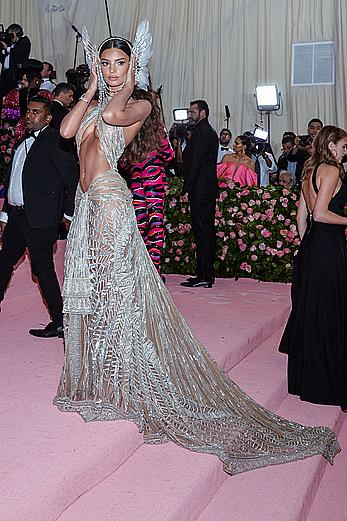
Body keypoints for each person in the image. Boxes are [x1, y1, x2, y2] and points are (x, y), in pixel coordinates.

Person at [53, 22, 340, 477]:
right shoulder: (95, 102)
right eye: (105, 63)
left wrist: (125, 85)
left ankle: (134, 380)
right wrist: (89, 87)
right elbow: (68, 130)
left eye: (119, 63)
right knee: (96, 294)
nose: (110, 70)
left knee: (119, 293)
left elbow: (111, 118)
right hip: (87, 206)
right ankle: (110, 379)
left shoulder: (140, 104)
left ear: (134, 66)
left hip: (108, 201)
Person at [279, 125, 347, 411]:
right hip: (327, 247)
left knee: (314, 310)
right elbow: (320, 214)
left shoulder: (309, 170)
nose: (346, 150)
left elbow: (301, 214)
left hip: (312, 247)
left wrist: (305, 246)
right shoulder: (331, 171)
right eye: (344, 145)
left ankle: (307, 378)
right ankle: (327, 381)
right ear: (332, 146)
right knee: (330, 311)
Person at [0, 97, 79, 338]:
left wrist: (66, 213)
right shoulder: (22, 143)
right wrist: (5, 213)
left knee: (42, 269)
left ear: (47, 118)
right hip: (16, 216)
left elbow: (71, 179)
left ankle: (60, 321)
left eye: (36, 112)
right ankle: (59, 321)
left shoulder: (55, 140)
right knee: (3, 263)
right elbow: (12, 179)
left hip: (41, 219)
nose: (29, 116)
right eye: (28, 112)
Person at [119, 133, 174, 276]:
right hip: (155, 181)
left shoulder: (131, 126)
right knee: (155, 224)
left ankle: (138, 270)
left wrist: (136, 165)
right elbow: (168, 155)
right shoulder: (157, 130)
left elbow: (122, 161)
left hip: (137, 181)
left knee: (139, 226)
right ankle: (154, 272)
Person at [180, 100, 219, 288]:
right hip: (204, 190)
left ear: (203, 113)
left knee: (203, 233)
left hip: (201, 191)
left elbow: (194, 163)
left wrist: (186, 188)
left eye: (192, 112)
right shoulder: (203, 131)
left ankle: (204, 276)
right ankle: (204, 274)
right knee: (204, 233)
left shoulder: (203, 132)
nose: (189, 115)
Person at [0, 23, 31, 96]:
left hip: (16, 75)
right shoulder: (10, 45)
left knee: (15, 96)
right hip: (5, 75)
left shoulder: (24, 40)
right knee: (4, 96)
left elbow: (20, 51)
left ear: (14, 33)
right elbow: (4, 60)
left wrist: (7, 48)